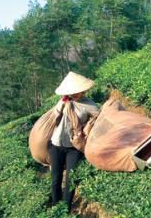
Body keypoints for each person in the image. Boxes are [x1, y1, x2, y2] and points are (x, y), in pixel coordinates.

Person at [49, 71, 99, 211]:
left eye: (80, 91)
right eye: (74, 91)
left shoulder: (89, 104)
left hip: (73, 147)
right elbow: (55, 117)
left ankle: (65, 208)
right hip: (56, 144)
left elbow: (98, 118)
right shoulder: (63, 102)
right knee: (56, 178)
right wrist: (62, 104)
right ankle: (55, 206)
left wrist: (87, 127)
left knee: (71, 179)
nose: (78, 94)